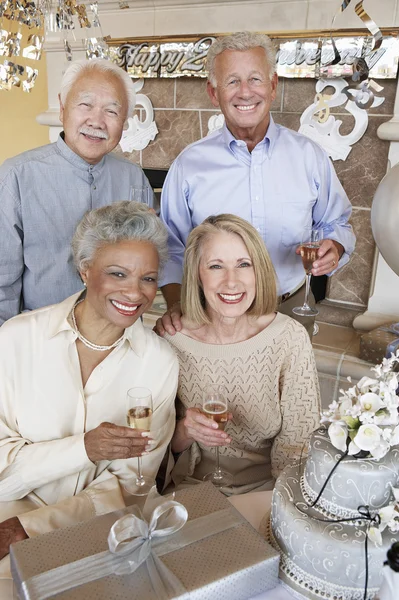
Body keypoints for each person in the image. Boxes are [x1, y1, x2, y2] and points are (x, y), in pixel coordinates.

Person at [0, 202, 178, 596]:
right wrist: (84, 448)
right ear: (84, 270)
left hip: (105, 527)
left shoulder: (159, 363)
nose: (135, 293)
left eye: (148, 278)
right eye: (118, 274)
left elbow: (133, 483)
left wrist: (34, 528)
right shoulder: (15, 340)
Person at [158, 31, 356, 338]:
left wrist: (336, 246)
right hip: (212, 316)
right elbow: (171, 249)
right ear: (214, 93)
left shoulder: (309, 157)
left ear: (273, 86)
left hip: (289, 310)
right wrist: (175, 305)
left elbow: (337, 223)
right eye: (232, 81)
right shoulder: (188, 166)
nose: (245, 92)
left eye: (255, 79)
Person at [164, 214, 321, 496]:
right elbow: (157, 449)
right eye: (215, 266)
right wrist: (186, 430)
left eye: (243, 264)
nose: (231, 281)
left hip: (268, 491)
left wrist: (274, 506)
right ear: (197, 275)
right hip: (191, 488)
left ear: (258, 271)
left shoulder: (289, 338)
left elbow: (298, 449)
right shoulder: (171, 340)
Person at [0, 58, 152, 325]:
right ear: (62, 108)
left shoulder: (133, 179)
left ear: (125, 122)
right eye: (85, 105)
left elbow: (144, 271)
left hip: (116, 339)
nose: (97, 121)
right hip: (41, 339)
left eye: (112, 112)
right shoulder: (17, 176)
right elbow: (3, 284)